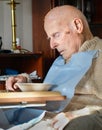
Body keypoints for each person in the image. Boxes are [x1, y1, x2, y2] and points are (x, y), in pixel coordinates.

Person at [5, 5, 102, 130]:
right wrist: (24, 80)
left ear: (78, 26)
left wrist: (77, 114)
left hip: (71, 122)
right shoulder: (64, 59)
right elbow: (55, 87)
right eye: (49, 38)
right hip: (43, 119)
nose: (52, 45)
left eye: (56, 35)